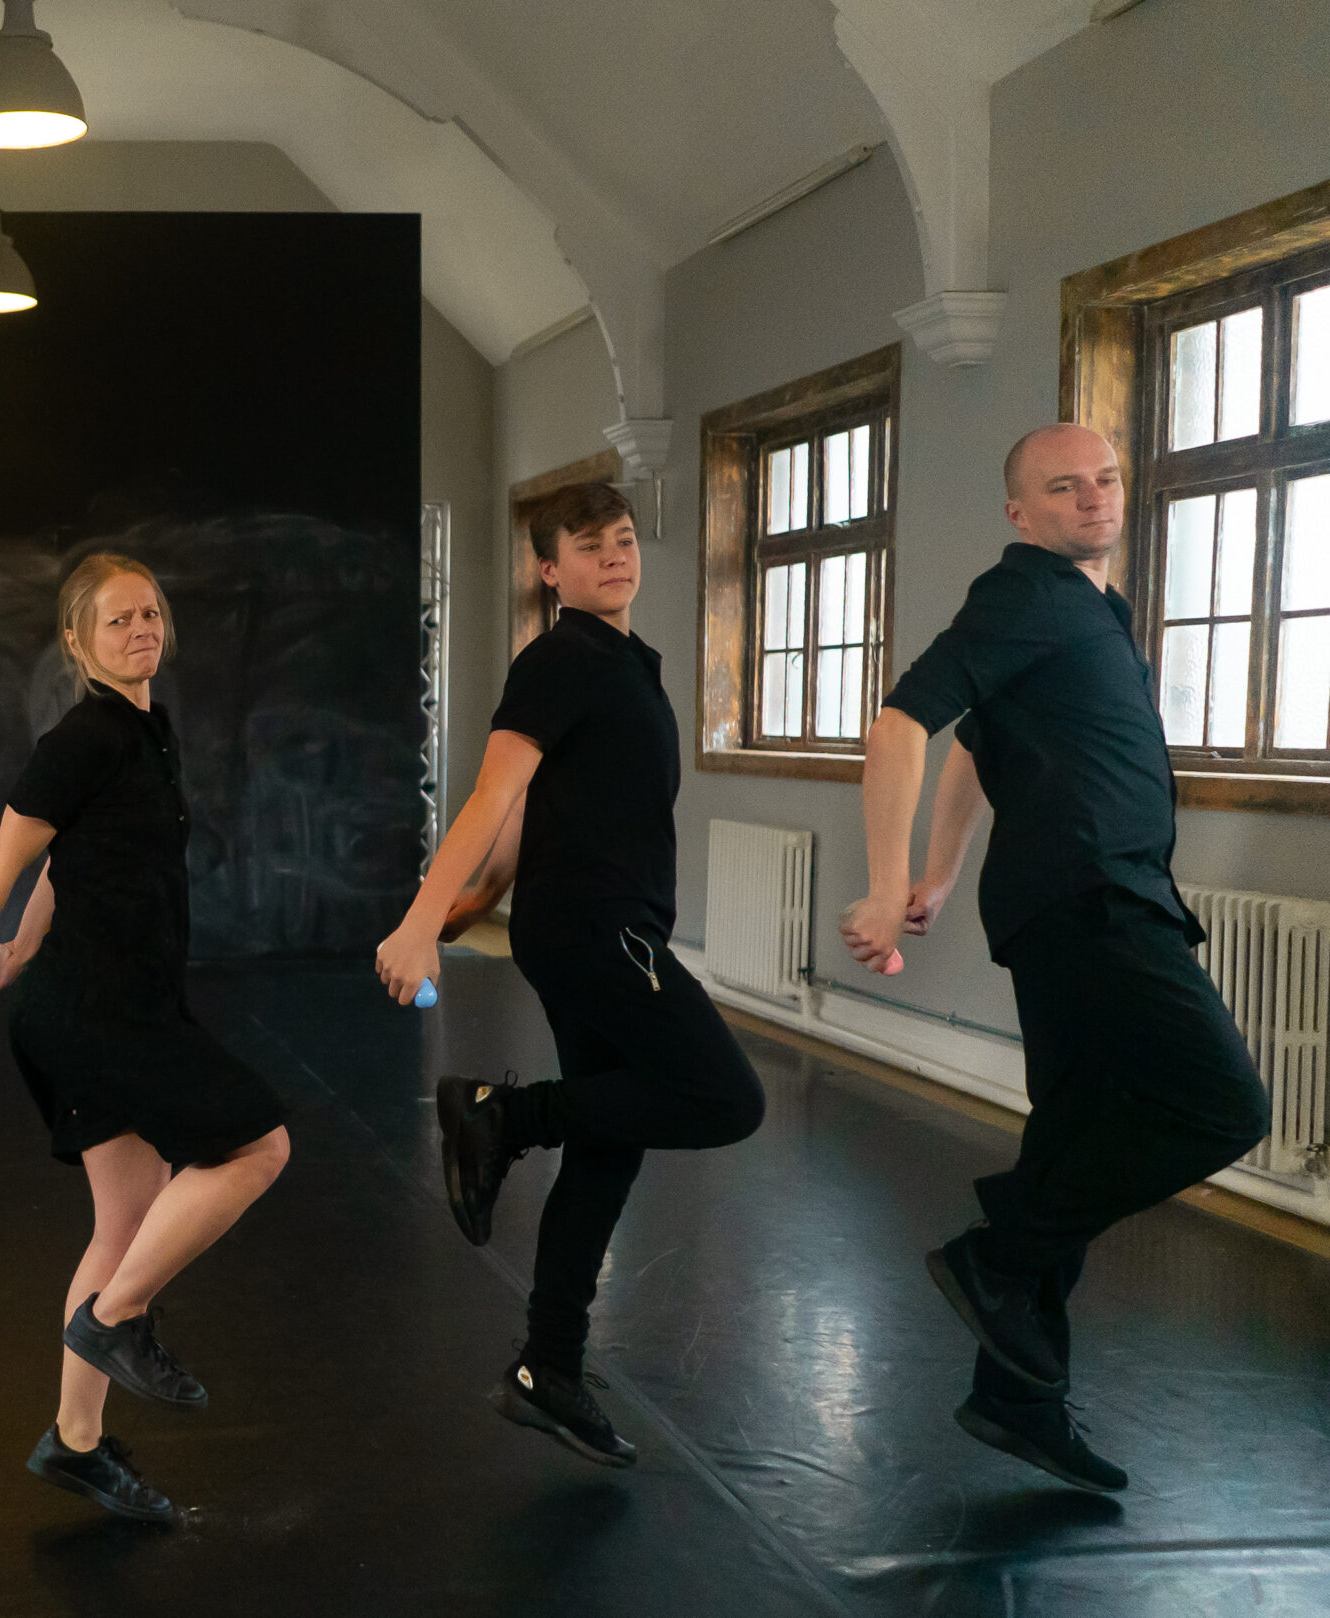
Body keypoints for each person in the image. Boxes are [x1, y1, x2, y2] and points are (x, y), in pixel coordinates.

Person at [839, 423, 1269, 1493]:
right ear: (1019, 512)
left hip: (1085, 897)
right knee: (1224, 1106)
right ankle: (994, 1254)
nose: (1093, 497)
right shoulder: (1023, 594)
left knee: (1071, 1142)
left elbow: (977, 750)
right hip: (1090, 900)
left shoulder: (1082, 613)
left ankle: (1015, 1398)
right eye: (1063, 486)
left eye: (1106, 479)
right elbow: (902, 725)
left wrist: (937, 875)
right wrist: (887, 887)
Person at [375, 482, 764, 1469]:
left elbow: (537, 809)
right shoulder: (560, 658)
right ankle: (500, 1118)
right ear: (550, 570)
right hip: (600, 932)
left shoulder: (625, 663)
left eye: (624, 541)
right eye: (589, 548)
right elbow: (491, 787)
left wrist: (487, 891)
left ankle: (547, 1368)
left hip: (591, 921)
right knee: (725, 1097)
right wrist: (423, 922)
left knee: (611, 1139)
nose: (614, 558)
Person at [0, 553, 290, 1524]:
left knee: (124, 1225)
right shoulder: (80, 738)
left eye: (150, 612)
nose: (140, 629)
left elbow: (67, 869)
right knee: (256, 1145)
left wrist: (17, 955)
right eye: (116, 620)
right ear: (76, 642)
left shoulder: (147, 732)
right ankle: (116, 1320)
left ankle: (73, 1442)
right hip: (98, 1014)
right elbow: (1, 865)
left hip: (110, 999)